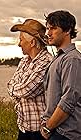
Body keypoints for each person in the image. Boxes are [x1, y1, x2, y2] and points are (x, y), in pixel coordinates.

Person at [7, 19, 53, 140]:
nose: (19, 44)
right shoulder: (24, 61)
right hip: (23, 126)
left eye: (21, 40)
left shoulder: (47, 61)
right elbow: (11, 83)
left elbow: (27, 90)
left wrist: (13, 88)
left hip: (40, 131)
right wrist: (15, 87)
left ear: (32, 42)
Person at [40, 10, 81, 140]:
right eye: (47, 28)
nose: (48, 33)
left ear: (67, 30)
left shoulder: (72, 59)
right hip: (57, 130)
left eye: (53, 28)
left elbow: (69, 100)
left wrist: (48, 127)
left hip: (65, 133)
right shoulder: (59, 57)